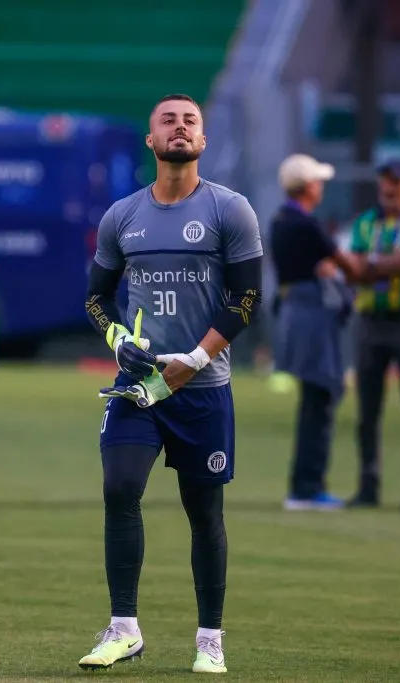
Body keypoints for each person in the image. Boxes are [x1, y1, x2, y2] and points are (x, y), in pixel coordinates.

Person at [79, 94, 264, 673]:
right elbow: (96, 299)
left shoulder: (230, 210)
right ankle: (123, 630)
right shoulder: (121, 216)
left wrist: (197, 359)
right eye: (168, 121)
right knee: (119, 489)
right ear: (151, 141)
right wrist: (118, 341)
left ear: (202, 141)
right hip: (140, 387)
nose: (179, 127)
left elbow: (246, 298)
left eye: (190, 121)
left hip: (203, 389)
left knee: (204, 513)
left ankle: (210, 639)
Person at [269, 154, 361, 511]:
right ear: (308, 187)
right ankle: (307, 488)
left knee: (314, 399)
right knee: (321, 396)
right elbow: (347, 265)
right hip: (314, 318)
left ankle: (305, 485)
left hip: (295, 314)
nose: (321, 187)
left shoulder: (279, 221)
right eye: (318, 182)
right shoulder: (307, 224)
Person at [345, 160, 400, 508]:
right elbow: (354, 268)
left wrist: (374, 266)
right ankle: (368, 486)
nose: (389, 188)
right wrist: (390, 264)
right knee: (367, 412)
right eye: (385, 182)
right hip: (371, 321)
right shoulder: (366, 222)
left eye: (396, 182)